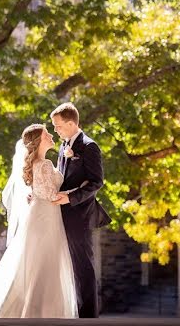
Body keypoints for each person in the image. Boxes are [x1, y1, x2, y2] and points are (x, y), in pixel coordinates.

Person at [0, 123, 79, 318]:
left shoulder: (40, 163)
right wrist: (77, 193)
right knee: (44, 264)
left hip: (40, 216)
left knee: (35, 265)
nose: (51, 136)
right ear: (38, 141)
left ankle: (30, 311)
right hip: (45, 220)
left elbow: (39, 190)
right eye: (47, 134)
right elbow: (50, 194)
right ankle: (38, 314)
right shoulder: (44, 164)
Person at [49, 102, 111, 318]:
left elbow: (96, 182)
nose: (55, 130)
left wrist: (70, 199)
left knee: (83, 266)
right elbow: (60, 179)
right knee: (66, 266)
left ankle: (89, 318)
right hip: (59, 214)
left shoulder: (89, 146)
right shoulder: (63, 145)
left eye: (58, 126)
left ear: (71, 123)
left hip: (80, 216)